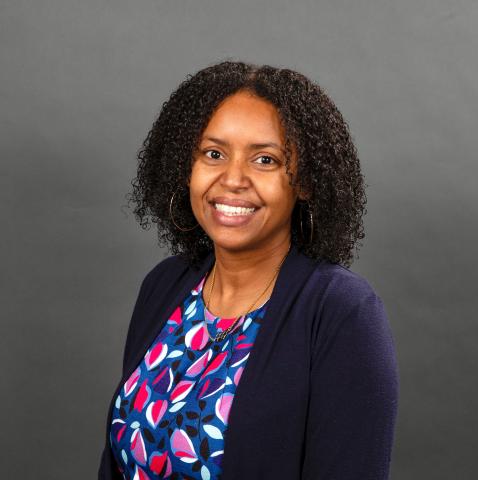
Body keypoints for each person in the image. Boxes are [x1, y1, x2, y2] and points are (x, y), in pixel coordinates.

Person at [98, 60, 398, 480]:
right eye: (214, 153)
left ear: (305, 181)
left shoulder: (343, 312)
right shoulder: (165, 285)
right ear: (189, 167)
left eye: (265, 160)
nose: (233, 179)